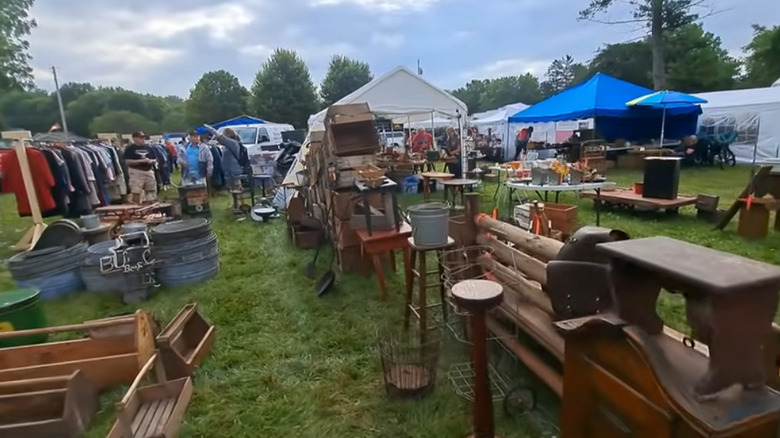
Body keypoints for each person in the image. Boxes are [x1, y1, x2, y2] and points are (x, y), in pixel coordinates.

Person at [204, 125, 245, 191]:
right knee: (233, 190)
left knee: (238, 190)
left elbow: (220, 137)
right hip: (230, 172)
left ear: (228, 135)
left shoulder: (232, 143)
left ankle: (241, 201)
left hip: (234, 172)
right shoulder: (230, 145)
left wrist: (209, 128)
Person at [123, 131, 157, 204]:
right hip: (136, 171)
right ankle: (136, 207)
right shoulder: (130, 148)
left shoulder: (149, 147)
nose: (143, 139)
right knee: (136, 191)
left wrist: (151, 161)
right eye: (140, 137)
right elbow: (127, 162)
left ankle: (151, 205)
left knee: (151, 190)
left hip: (148, 171)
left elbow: (155, 158)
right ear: (134, 138)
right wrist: (141, 161)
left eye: (143, 137)